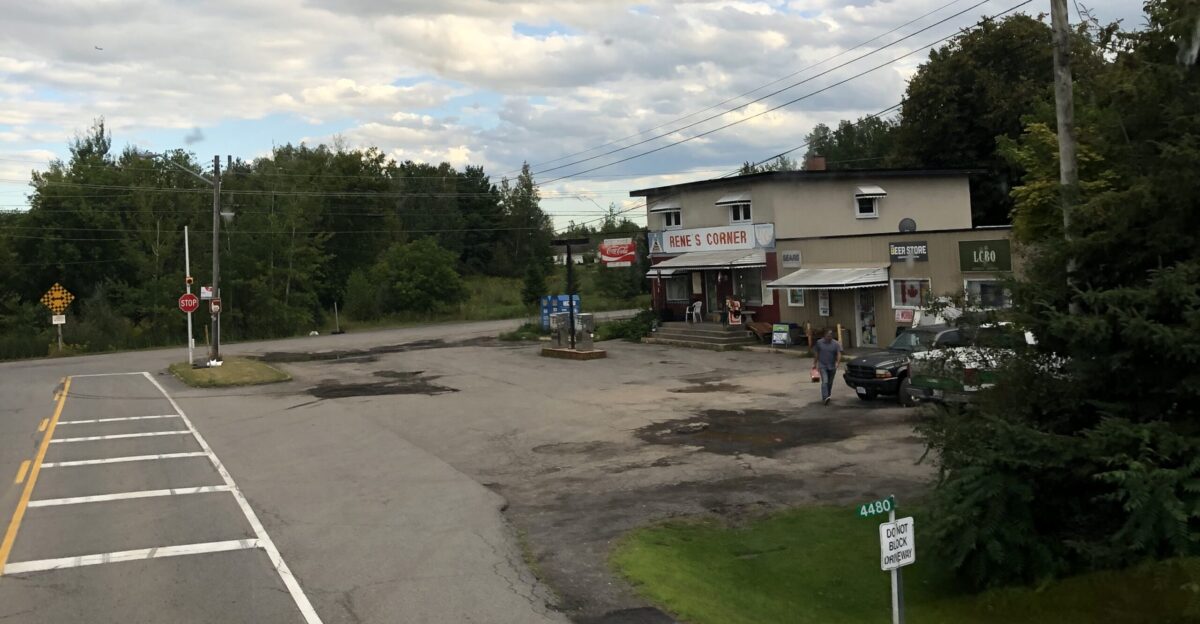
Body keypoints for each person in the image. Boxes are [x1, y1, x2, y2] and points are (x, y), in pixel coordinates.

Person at [812, 329, 842, 406]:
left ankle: (828, 395)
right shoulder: (819, 343)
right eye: (828, 336)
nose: (829, 337)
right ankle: (825, 397)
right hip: (822, 365)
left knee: (830, 382)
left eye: (831, 336)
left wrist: (837, 363)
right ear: (824, 336)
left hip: (832, 366)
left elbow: (838, 353)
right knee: (825, 381)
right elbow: (816, 353)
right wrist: (815, 363)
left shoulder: (836, 344)